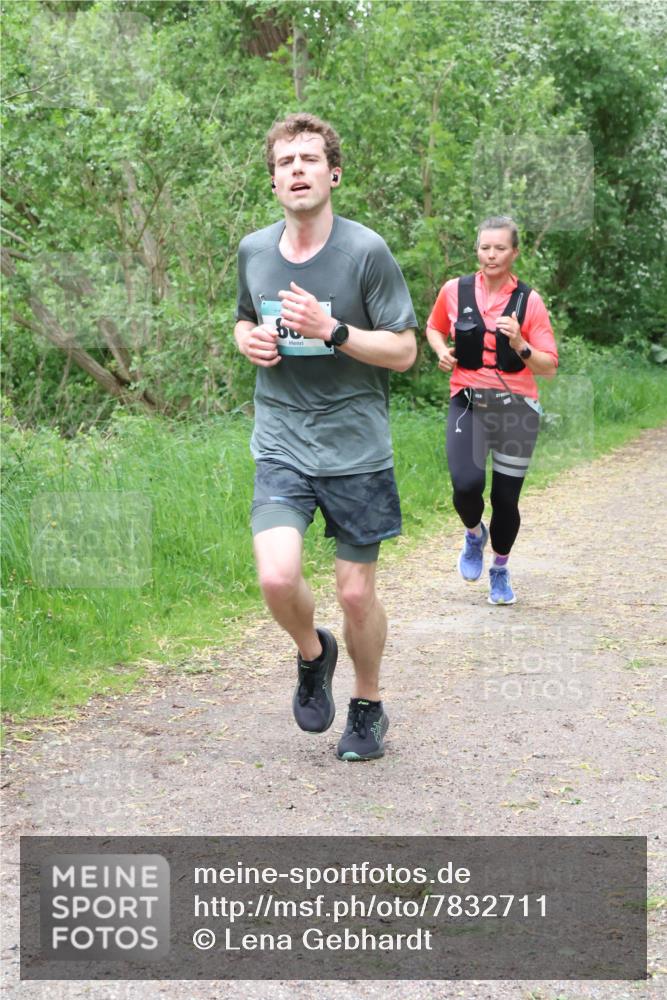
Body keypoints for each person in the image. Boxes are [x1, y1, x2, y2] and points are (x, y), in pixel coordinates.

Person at [234, 113, 417, 760]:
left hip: (355, 448)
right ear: (273, 181)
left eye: (309, 159)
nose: (298, 171)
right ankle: (314, 654)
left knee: (353, 590)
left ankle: (367, 705)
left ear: (332, 174)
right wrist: (249, 341)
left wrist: (333, 332)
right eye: (285, 163)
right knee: (278, 579)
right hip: (281, 440)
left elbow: (402, 351)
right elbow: (241, 318)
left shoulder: (365, 252)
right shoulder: (254, 252)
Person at [425, 216, 558, 605]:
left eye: (500, 248)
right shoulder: (455, 290)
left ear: (514, 252)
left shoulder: (529, 301)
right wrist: (441, 352)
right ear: (477, 250)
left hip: (518, 408)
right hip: (467, 402)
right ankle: (472, 534)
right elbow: (434, 327)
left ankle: (499, 566)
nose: (491, 255)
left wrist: (520, 343)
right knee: (465, 485)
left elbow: (549, 364)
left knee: (505, 500)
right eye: (485, 247)